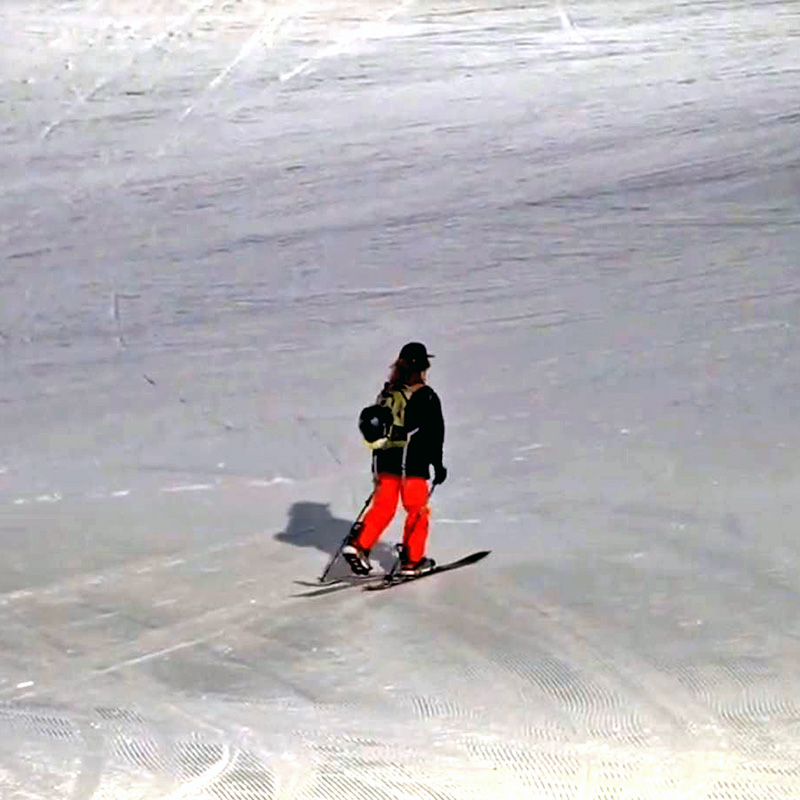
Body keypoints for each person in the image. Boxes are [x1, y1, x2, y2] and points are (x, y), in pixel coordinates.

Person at [343, 342, 447, 577]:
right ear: (424, 367)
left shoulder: (387, 393)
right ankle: (413, 560)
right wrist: (438, 465)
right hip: (413, 464)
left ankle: (359, 545)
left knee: (383, 507)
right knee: (417, 511)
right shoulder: (426, 396)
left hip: (385, 462)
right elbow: (435, 434)